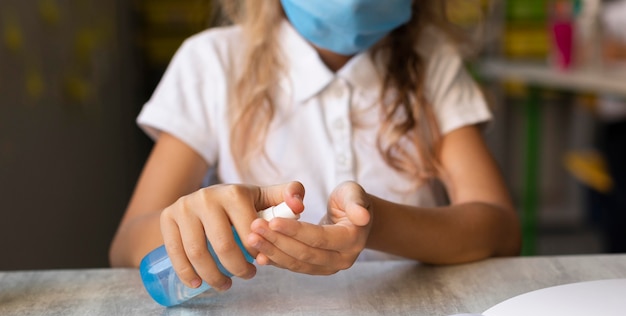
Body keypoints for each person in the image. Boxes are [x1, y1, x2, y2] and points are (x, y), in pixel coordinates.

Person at [109, 0, 521, 292]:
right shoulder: (210, 63)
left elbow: (500, 230)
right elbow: (126, 246)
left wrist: (375, 224)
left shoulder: (433, 63)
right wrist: (199, 221)